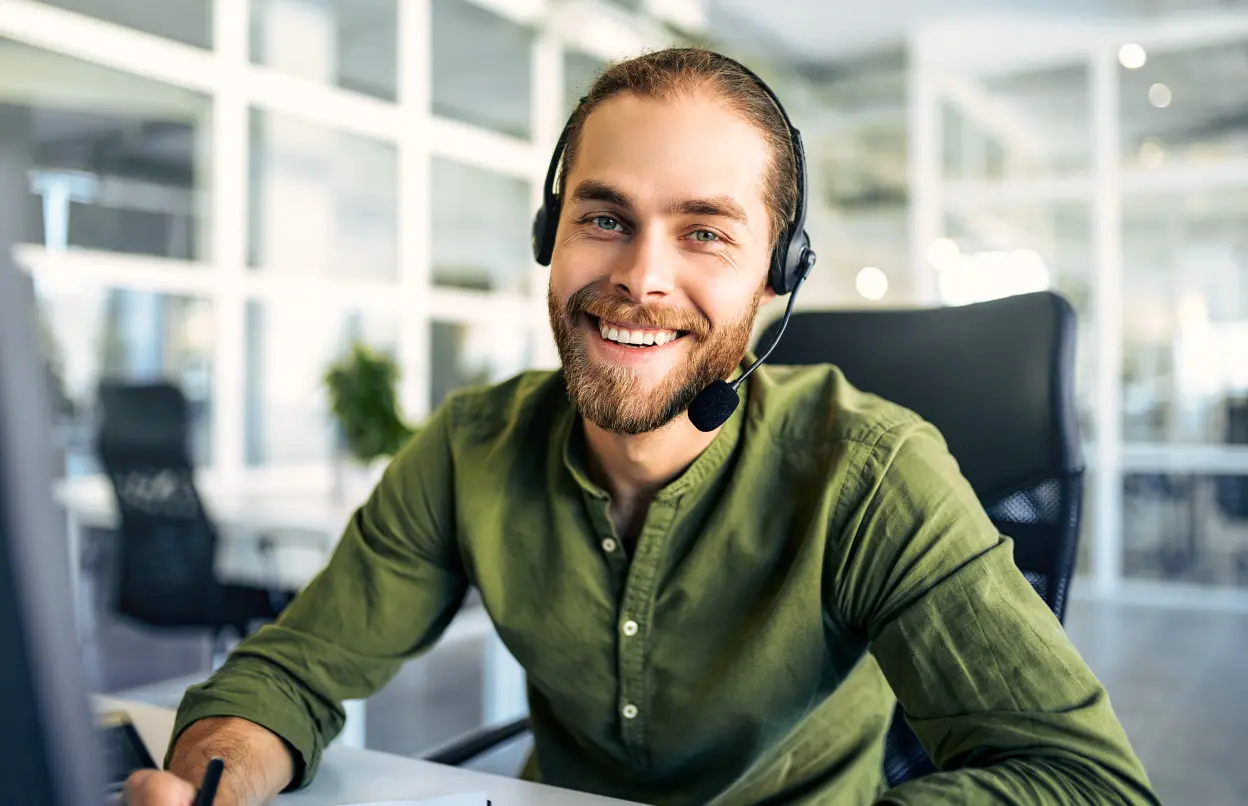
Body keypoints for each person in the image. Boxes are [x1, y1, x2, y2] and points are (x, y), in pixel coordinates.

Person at [124, 47, 1159, 806]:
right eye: (604, 217)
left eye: (703, 231)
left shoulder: (871, 472)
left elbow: (1087, 781)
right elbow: (291, 669)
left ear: (774, 279)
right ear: (552, 233)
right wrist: (220, 770)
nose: (638, 279)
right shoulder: (469, 447)